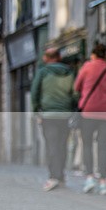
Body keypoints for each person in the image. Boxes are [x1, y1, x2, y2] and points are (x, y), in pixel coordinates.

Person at [31, 47, 77, 191]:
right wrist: (72, 108)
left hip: (48, 115)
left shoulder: (43, 72)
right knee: (62, 144)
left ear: (47, 58)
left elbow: (35, 92)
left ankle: (53, 177)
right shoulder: (69, 72)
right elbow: (75, 93)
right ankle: (61, 175)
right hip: (65, 115)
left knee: (51, 145)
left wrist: (36, 110)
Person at [74, 43, 106, 195]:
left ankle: (90, 178)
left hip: (89, 111)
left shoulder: (87, 67)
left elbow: (77, 87)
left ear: (93, 54)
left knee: (87, 145)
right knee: (103, 146)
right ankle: (103, 181)